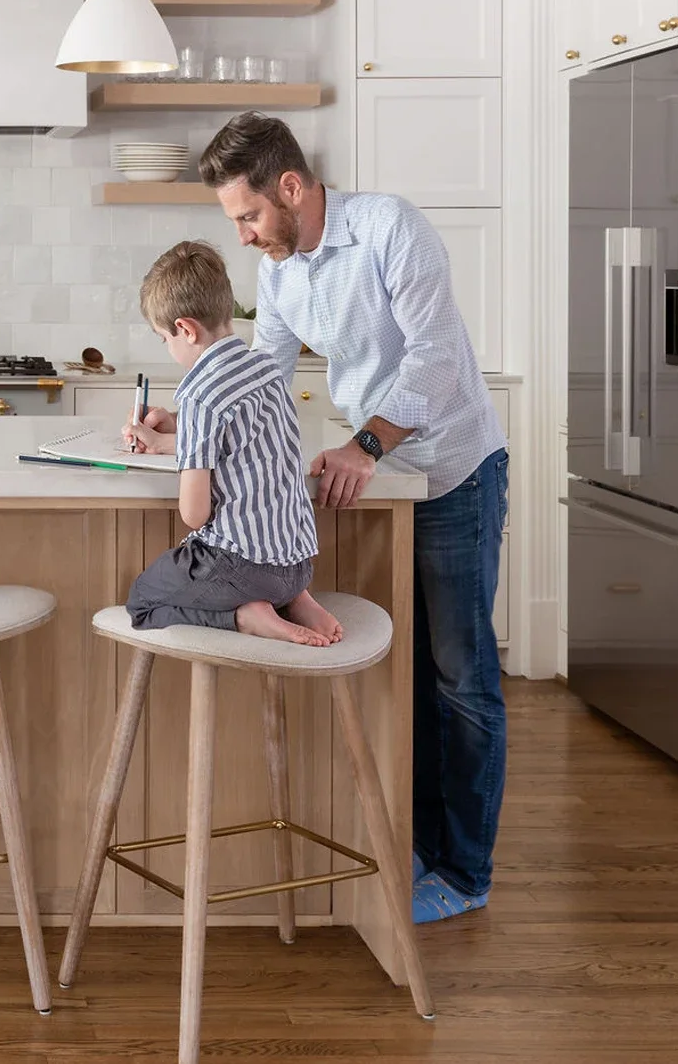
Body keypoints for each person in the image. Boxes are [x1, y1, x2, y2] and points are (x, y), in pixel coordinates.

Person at [137, 112, 509, 926]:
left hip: (453, 470)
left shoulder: (389, 229)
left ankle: (465, 871)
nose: (242, 235)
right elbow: (259, 377)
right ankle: (416, 849)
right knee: (410, 677)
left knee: (462, 680)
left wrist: (364, 445)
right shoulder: (280, 273)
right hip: (378, 479)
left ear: (291, 188)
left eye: (248, 215)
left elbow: (436, 360)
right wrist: (183, 420)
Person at [121, 241, 343, 647]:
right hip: (296, 565)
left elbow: (194, 514)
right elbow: (240, 444)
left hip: (240, 569)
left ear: (186, 329)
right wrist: (171, 436)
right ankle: (296, 599)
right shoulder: (267, 369)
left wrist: (183, 442)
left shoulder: (199, 393)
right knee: (265, 566)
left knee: (142, 599)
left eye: (164, 338)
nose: (169, 348)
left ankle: (244, 616)